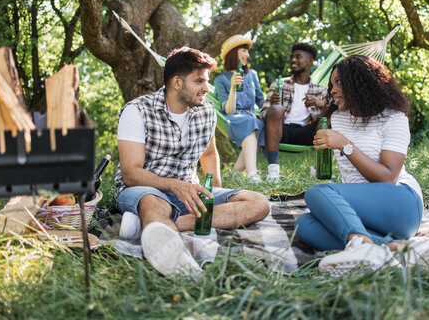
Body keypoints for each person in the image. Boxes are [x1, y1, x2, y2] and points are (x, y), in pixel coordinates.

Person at [114, 47, 270, 278]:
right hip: (144, 189)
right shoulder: (136, 111)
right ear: (177, 82)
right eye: (199, 81)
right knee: (154, 204)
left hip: (188, 190)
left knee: (259, 203)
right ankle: (179, 265)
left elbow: (208, 155)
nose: (207, 88)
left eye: (206, 81)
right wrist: (175, 186)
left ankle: (159, 225)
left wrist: (215, 193)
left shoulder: (206, 110)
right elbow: (130, 173)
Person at [295, 55, 429, 277]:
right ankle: (399, 250)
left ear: (360, 83)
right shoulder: (337, 118)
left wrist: (345, 145)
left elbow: (388, 176)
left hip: (400, 202)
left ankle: (360, 245)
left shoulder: (394, 118)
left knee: (318, 192)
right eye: (331, 85)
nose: (332, 90)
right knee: (304, 224)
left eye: (339, 83)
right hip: (364, 211)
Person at [260, 43, 327, 181]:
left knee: (327, 118)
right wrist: (273, 106)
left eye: (298, 57)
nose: (293, 60)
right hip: (280, 131)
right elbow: (263, 114)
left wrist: (321, 104)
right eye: (292, 57)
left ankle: (320, 166)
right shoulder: (280, 84)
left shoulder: (320, 90)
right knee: (277, 109)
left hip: (304, 133)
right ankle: (273, 169)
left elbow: (333, 113)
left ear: (310, 61)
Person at [214, 35, 265, 182]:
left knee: (260, 125)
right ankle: (252, 174)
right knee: (250, 123)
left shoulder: (252, 75)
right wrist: (233, 89)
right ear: (233, 52)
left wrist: (272, 107)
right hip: (233, 119)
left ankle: (235, 173)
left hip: (252, 118)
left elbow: (261, 100)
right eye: (244, 50)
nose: (247, 55)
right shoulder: (220, 80)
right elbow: (229, 111)